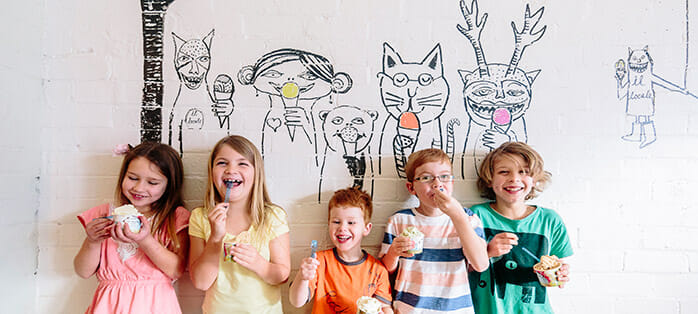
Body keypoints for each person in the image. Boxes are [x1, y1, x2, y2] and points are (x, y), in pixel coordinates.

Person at [73, 142, 190, 314]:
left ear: (169, 185)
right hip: (109, 305)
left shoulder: (175, 218)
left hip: (155, 305)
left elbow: (176, 270)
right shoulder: (104, 214)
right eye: (133, 178)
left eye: (152, 182)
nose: (139, 188)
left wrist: (145, 240)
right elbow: (83, 271)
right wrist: (92, 241)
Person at [379, 148, 489, 313]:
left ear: (452, 183)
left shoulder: (467, 218)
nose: (437, 184)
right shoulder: (399, 220)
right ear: (411, 188)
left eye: (444, 176)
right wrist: (394, 252)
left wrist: (457, 215)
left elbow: (481, 264)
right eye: (426, 178)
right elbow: (385, 270)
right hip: (409, 309)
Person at [188, 135, 290, 313]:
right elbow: (201, 282)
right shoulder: (200, 217)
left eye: (242, 163)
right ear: (212, 172)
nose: (230, 170)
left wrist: (259, 263)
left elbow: (282, 276)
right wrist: (215, 238)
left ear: (256, 172)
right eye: (222, 163)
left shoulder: (273, 216)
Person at [468, 141, 573, 314]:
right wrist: (487, 252)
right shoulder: (476, 216)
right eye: (504, 172)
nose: (514, 179)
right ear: (489, 179)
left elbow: (559, 266)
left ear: (534, 180)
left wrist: (560, 274)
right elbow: (459, 268)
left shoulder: (550, 220)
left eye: (523, 172)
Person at [289, 187, 393, 314]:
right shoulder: (319, 261)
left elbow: (384, 308)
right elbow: (296, 301)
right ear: (329, 224)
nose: (342, 228)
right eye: (336, 222)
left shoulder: (378, 270)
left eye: (351, 222)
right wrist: (302, 277)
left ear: (366, 228)